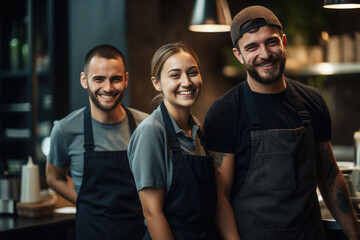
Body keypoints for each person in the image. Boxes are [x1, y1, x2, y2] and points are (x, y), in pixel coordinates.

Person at [204, 5, 360, 240]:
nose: (265, 54)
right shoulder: (224, 112)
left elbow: (328, 175)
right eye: (252, 47)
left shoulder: (312, 101)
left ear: (284, 41)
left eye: (271, 42)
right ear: (238, 54)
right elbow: (219, 197)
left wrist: (354, 234)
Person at [46, 44, 148, 240]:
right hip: (92, 231)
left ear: (126, 79)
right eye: (99, 79)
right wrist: (85, 202)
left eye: (115, 79)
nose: (108, 88)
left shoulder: (146, 126)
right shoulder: (65, 129)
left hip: (139, 232)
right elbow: (53, 177)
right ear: (84, 80)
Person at [127, 42, 218, 240]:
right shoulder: (151, 132)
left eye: (192, 72)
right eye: (175, 75)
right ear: (156, 83)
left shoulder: (197, 127)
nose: (186, 82)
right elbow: (152, 213)